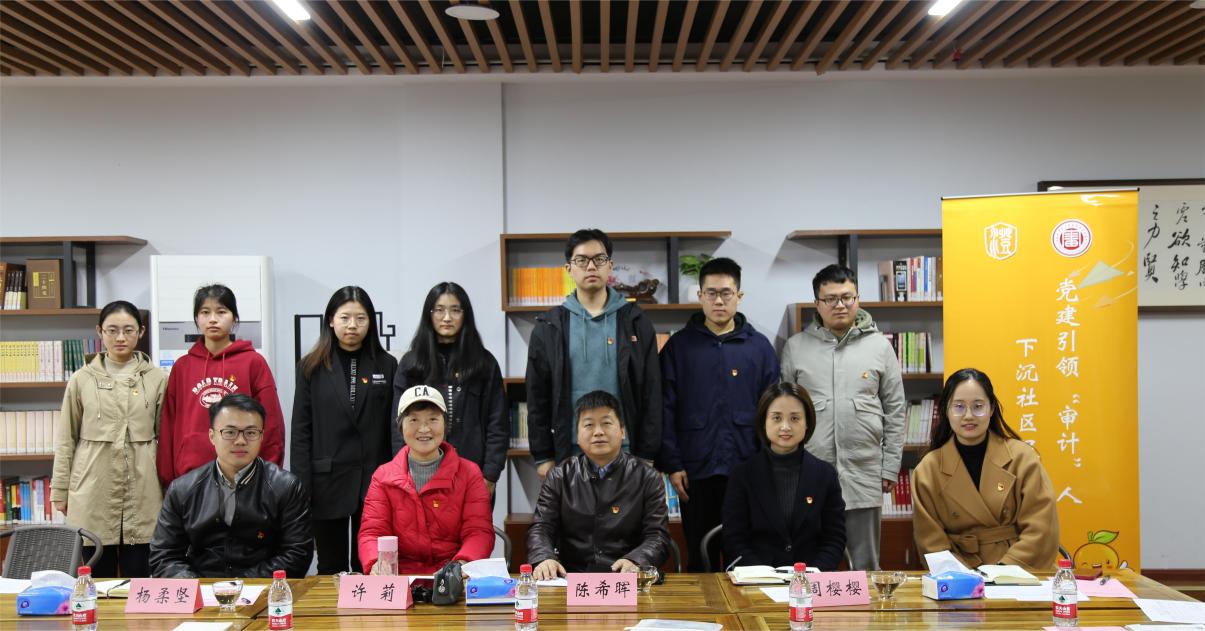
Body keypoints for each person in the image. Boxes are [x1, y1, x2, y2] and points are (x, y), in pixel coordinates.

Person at [780, 264, 905, 571]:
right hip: (810, 474)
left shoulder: (880, 347)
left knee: (865, 567)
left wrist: (890, 466)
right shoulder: (796, 348)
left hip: (863, 472)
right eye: (831, 299)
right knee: (810, 566)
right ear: (817, 304)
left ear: (857, 299)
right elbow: (784, 414)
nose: (840, 305)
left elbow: (895, 409)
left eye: (847, 297)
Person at [657, 257, 779, 571]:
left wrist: (767, 463)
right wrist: (672, 464)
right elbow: (664, 408)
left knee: (745, 559)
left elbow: (773, 411)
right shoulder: (679, 347)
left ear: (739, 296)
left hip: (746, 467)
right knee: (701, 559)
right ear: (700, 296)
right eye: (711, 293)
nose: (719, 301)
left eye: (726, 293)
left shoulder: (759, 348)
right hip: (695, 471)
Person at [526, 228, 662, 478]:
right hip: (568, 451)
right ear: (569, 268)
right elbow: (537, 396)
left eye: (599, 259)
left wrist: (647, 453)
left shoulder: (636, 322)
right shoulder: (549, 327)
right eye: (581, 260)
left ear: (610, 265)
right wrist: (543, 455)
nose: (591, 266)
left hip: (626, 450)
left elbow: (651, 391)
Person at [50, 301, 166, 577]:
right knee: (95, 579)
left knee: (139, 578)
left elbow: (166, 437)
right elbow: (66, 438)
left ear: (141, 332)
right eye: (112, 330)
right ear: (99, 332)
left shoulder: (158, 378)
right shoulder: (81, 379)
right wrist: (60, 490)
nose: (120, 337)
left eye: (128, 330)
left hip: (144, 487)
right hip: (93, 486)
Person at [291, 286, 398, 574]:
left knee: (370, 565)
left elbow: (394, 428)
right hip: (326, 482)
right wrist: (302, 488)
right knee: (331, 565)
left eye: (360, 318)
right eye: (345, 317)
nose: (352, 325)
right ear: (330, 320)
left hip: (374, 481)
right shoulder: (310, 367)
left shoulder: (387, 365)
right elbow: (301, 431)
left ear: (370, 322)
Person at [149, 394, 312, 578]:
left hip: (264, 589)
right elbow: (163, 555)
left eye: (251, 433)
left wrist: (240, 586)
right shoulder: (182, 489)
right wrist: (197, 586)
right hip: (201, 589)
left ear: (261, 437)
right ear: (212, 436)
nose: (240, 440)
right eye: (230, 432)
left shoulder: (286, 487)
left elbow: (297, 554)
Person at [912, 368, 1060, 570]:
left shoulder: (1023, 458)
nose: (969, 415)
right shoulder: (927, 470)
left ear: (991, 409)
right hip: (959, 575)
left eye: (978, 406)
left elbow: (1041, 529)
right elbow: (930, 542)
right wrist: (966, 578)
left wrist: (1003, 572)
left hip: (1018, 571)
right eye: (959, 407)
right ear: (946, 410)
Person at [527, 390, 670, 579]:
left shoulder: (647, 478)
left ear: (622, 431)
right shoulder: (560, 476)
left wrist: (636, 561)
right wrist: (544, 558)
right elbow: (541, 527)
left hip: (628, 579)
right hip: (573, 580)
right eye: (589, 425)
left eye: (606, 423)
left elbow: (658, 535)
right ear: (577, 435)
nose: (598, 432)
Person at [158, 284, 285, 488]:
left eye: (221, 312)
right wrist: (168, 478)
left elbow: (271, 423)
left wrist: (268, 473)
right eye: (205, 312)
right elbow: (169, 424)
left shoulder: (253, 363)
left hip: (244, 476)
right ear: (196, 319)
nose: (213, 319)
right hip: (190, 477)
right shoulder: (182, 367)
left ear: (234, 318)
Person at [358, 385, 493, 575]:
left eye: (433, 419)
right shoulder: (383, 476)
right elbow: (372, 533)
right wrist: (376, 564)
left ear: (445, 424)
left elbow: (478, 531)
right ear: (400, 426)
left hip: (453, 576)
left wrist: (461, 565)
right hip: (401, 577)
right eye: (414, 420)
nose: (423, 428)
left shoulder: (469, 473)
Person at [391, 282, 507, 496]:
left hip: (473, 474)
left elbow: (497, 423)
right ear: (429, 314)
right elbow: (398, 423)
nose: (447, 318)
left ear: (465, 315)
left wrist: (490, 475)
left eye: (455, 310)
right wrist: (403, 470)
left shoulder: (484, 363)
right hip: (420, 474)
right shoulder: (411, 364)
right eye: (439, 310)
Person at [722, 383, 846, 570]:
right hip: (757, 578)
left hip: (811, 579)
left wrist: (811, 575)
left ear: (807, 423)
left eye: (795, 418)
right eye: (777, 418)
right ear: (764, 422)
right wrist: (763, 576)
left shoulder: (825, 474)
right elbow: (733, 539)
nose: (785, 427)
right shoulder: (743, 475)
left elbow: (834, 539)